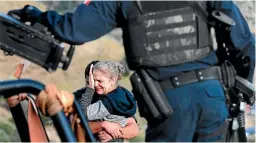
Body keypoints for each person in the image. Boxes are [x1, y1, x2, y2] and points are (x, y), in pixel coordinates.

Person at [9, 1, 255, 141]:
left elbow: (73, 30)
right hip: (213, 98)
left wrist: (37, 16)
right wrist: (238, 91)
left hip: (170, 105)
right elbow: (244, 45)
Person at [73, 60, 138, 142]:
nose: (95, 85)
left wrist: (112, 135)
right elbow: (75, 126)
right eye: (91, 81)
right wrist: (103, 125)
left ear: (112, 80)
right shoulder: (78, 97)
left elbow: (133, 129)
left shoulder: (114, 99)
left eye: (99, 81)